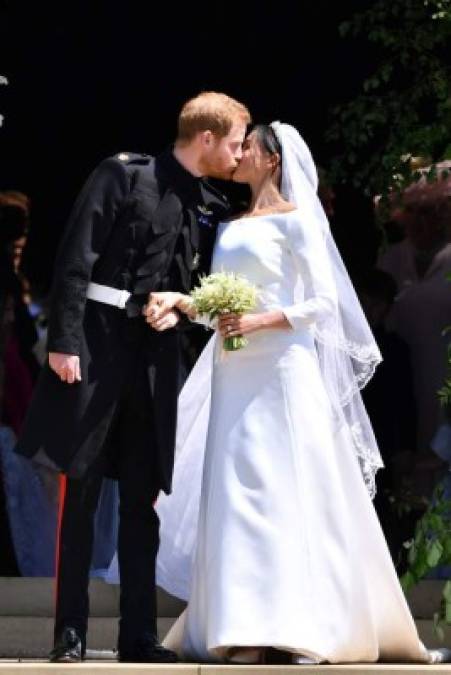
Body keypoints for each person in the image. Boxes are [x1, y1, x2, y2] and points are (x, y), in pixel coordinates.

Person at [143, 123, 444, 665]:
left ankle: (293, 621)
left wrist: (259, 320)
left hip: (281, 369)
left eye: (249, 148)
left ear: (272, 160)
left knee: (284, 488)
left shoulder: (301, 221)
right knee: (236, 491)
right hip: (234, 371)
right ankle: (241, 625)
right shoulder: (232, 223)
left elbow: (324, 303)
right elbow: (218, 302)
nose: (240, 156)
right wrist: (185, 304)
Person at [14, 91, 250, 663]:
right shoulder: (123, 175)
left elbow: (192, 281)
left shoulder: (206, 200)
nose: (240, 156)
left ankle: (138, 636)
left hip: (154, 361)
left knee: (143, 500)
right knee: (84, 492)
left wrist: (180, 306)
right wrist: (64, 343)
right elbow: (77, 256)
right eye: (237, 143)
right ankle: (69, 632)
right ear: (208, 138)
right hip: (96, 350)